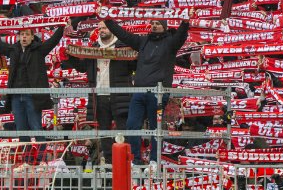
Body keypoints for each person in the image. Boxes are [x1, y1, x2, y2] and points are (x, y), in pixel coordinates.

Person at [102, 9, 192, 163]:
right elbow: (124, 35)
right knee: (132, 125)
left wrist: (185, 23)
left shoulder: (170, 42)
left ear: (164, 26)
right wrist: (108, 20)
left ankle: (154, 160)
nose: (154, 26)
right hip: (139, 92)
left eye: (158, 23)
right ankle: (136, 160)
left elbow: (180, 36)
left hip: (158, 94)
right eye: (153, 23)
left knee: (155, 128)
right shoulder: (143, 41)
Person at [0, 21, 68, 139]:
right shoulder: (13, 50)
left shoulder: (39, 50)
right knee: (21, 129)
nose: (24, 37)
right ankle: (26, 157)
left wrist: (62, 27)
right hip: (16, 96)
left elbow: (53, 40)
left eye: (27, 34)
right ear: (18, 37)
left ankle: (41, 157)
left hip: (33, 96)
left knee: (36, 128)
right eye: (22, 34)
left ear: (32, 37)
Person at [67, 21, 135, 163]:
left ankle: (125, 162)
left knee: (123, 131)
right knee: (104, 132)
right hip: (99, 96)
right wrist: (69, 57)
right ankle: (110, 163)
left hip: (120, 96)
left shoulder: (123, 46)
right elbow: (82, 67)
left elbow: (133, 66)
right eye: (99, 28)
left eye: (104, 27)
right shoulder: (93, 48)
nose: (102, 30)